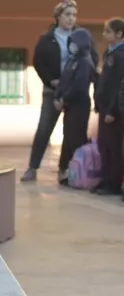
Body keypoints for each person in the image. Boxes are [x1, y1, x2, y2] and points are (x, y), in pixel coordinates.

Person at [21, 0, 98, 182]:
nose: (71, 18)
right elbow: (39, 62)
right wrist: (51, 80)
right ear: (57, 17)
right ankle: (32, 168)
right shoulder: (47, 38)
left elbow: (92, 59)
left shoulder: (82, 36)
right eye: (67, 14)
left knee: (71, 131)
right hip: (53, 91)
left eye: (74, 15)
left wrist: (81, 79)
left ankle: (65, 168)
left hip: (75, 93)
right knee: (44, 128)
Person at [52, 28, 95, 185]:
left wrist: (64, 99)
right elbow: (64, 81)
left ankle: (79, 173)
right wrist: (57, 97)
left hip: (79, 106)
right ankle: (67, 170)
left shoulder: (85, 62)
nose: (72, 45)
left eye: (75, 42)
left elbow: (79, 86)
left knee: (76, 138)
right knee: (68, 137)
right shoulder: (72, 60)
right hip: (69, 106)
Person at [93, 17, 124, 198]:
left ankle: (114, 183)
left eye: (108, 31)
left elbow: (118, 86)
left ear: (119, 34)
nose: (104, 34)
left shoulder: (121, 55)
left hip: (114, 110)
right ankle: (106, 179)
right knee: (103, 144)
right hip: (104, 107)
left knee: (114, 147)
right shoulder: (109, 53)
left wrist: (112, 110)